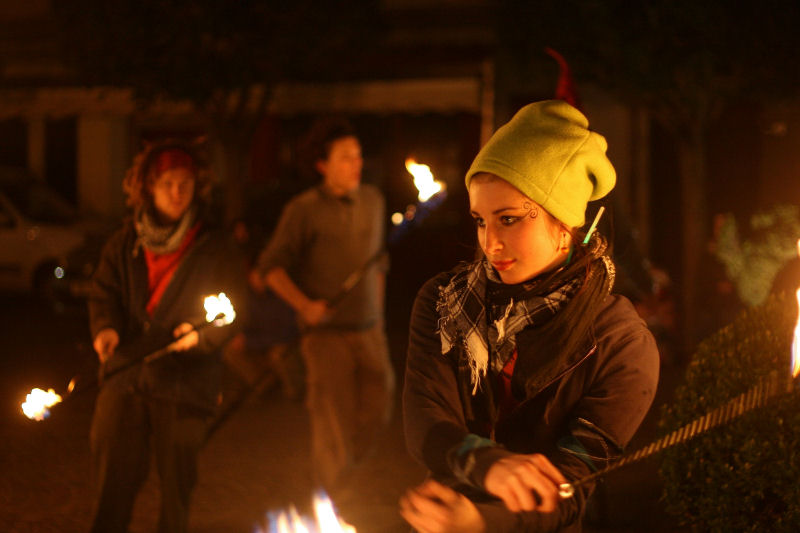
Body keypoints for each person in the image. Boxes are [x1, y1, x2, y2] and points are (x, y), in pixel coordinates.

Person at [400, 100, 660, 533]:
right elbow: (426, 417)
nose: (490, 243)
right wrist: (485, 464)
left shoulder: (622, 342)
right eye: (480, 221)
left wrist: (485, 520)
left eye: (508, 219)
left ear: (565, 224)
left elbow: (574, 481)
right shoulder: (444, 301)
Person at [87, 139, 245, 533]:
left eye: (186, 184)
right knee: (113, 487)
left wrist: (200, 335)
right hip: (126, 377)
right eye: (168, 183)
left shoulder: (215, 245)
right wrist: (104, 328)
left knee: (176, 493)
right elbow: (103, 291)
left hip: (184, 385)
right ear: (148, 188)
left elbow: (233, 310)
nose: (178, 193)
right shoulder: (124, 243)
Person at [254, 118, 395, 499]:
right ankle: (334, 505)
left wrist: (378, 319)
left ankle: (343, 484)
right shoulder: (304, 210)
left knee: (378, 412)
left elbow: (378, 264)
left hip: (369, 332)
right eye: (346, 157)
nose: (356, 164)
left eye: (359, 156)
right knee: (332, 429)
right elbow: (270, 268)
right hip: (326, 337)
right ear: (322, 164)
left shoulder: (373, 201)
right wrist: (304, 305)